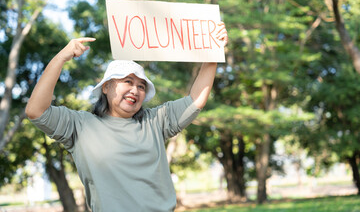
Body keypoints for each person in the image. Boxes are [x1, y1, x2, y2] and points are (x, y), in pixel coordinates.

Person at [25, 22, 228, 212]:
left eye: (141, 86)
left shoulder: (155, 121)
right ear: (106, 87)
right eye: (128, 82)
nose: (135, 90)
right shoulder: (80, 126)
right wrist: (61, 58)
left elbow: (196, 100)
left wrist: (213, 52)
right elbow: (36, 111)